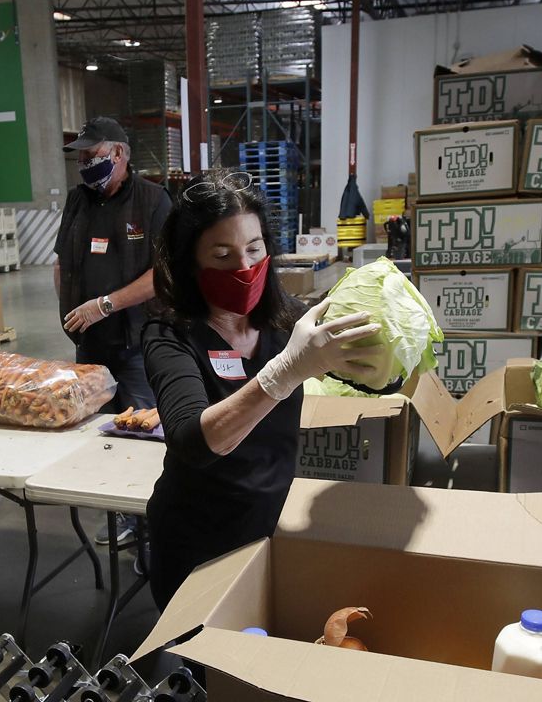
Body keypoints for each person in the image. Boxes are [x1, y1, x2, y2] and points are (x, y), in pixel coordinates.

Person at [143, 169, 381, 609]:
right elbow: (192, 441)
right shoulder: (170, 333)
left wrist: (385, 348)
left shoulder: (286, 317)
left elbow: (370, 373)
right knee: (205, 671)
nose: (244, 267)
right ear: (189, 261)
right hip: (196, 543)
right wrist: (286, 371)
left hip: (270, 528)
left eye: (254, 249)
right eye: (222, 255)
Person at [56, 117, 172, 548]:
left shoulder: (153, 200)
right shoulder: (77, 201)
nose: (85, 165)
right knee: (99, 437)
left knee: (143, 434)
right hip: (90, 345)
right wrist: (67, 310)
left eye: (93, 156)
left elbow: (164, 274)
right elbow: (61, 261)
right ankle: (125, 517)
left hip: (139, 344)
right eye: (81, 158)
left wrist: (105, 304)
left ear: (119, 154)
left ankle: (152, 526)